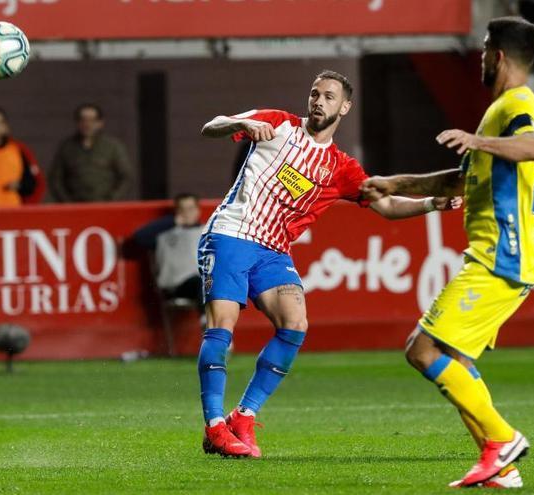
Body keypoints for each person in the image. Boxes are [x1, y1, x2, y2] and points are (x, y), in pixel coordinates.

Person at [195, 70, 462, 459]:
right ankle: (215, 426)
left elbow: (385, 205)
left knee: (295, 324)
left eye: (329, 96)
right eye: (315, 93)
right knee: (222, 327)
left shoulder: (340, 168)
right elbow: (210, 127)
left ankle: (244, 417)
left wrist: (430, 204)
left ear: (345, 106)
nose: (319, 101)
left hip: (272, 250)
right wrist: (242, 122)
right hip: (232, 234)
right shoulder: (278, 123)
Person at [362, 17, 534, 489]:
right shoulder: (497, 113)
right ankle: (500, 468)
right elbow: (458, 180)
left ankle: (502, 439)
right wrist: (395, 183)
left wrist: (479, 139)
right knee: (455, 358)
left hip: (502, 255)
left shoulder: (518, 104)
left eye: (484, 49)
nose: (480, 57)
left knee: (421, 349)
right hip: (495, 255)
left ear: (498, 56)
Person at [132, 193, 206, 310]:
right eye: (182, 209)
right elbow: (139, 237)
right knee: (203, 282)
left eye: (191, 209)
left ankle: (210, 321)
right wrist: (172, 221)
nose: (187, 213)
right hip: (177, 285)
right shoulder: (165, 235)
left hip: (202, 282)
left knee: (213, 282)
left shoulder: (207, 233)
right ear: (177, 212)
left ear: (198, 210)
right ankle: (208, 322)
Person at [49, 104, 133, 202]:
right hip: (75, 206)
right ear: (77, 122)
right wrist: (67, 202)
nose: (87, 124)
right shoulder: (66, 147)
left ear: (100, 123)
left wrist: (112, 199)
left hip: (105, 206)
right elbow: (55, 179)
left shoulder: (112, 146)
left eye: (92, 120)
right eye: (83, 120)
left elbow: (126, 176)